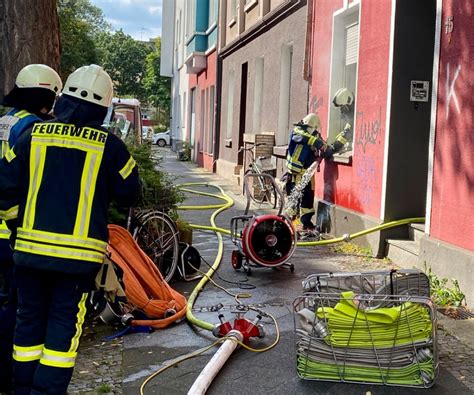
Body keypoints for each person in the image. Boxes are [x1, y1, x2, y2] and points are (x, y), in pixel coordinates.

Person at [0, 64, 141, 394]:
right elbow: (130, 192)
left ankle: (22, 389)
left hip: (29, 255)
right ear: (104, 108)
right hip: (77, 263)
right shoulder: (110, 146)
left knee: (28, 324)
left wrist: (18, 227)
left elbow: (5, 187)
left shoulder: (33, 134)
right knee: (61, 333)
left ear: (63, 99)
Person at [0, 64, 62, 392]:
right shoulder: (33, 129)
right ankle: (13, 376)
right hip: (12, 236)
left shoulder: (4, 121)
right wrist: (16, 226)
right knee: (19, 307)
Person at [285, 89, 354, 238]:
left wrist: (345, 135)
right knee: (294, 200)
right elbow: (304, 138)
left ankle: (306, 223)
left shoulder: (312, 135)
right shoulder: (298, 132)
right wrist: (317, 142)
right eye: (315, 131)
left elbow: (327, 150)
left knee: (308, 199)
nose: (316, 134)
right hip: (296, 174)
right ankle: (289, 226)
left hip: (307, 174)